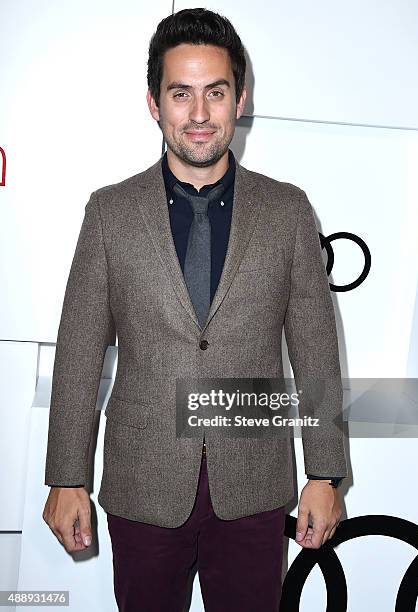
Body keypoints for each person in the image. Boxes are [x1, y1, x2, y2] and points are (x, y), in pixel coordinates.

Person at [42, 8, 348, 612]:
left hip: (254, 485)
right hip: (143, 481)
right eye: (181, 94)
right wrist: (66, 476)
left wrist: (325, 471)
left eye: (216, 92)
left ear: (242, 98)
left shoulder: (287, 211)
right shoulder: (110, 213)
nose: (200, 114)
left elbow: (315, 351)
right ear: (155, 103)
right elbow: (78, 353)